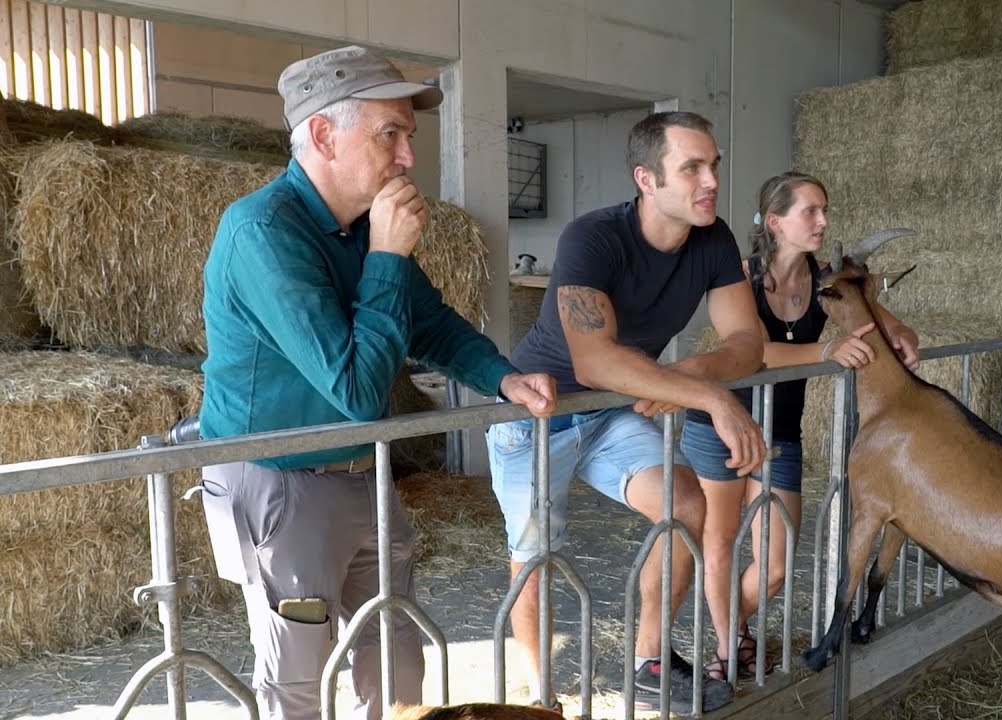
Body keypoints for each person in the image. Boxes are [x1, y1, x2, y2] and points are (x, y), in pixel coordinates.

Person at [197, 45, 556, 720]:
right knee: (299, 678)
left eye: (408, 136)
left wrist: (503, 378)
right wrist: (389, 254)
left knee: (395, 656)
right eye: (389, 134)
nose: (407, 157)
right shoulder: (263, 232)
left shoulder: (358, 226)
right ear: (325, 136)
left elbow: (430, 324)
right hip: (281, 481)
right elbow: (358, 394)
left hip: (361, 472)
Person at [485, 111, 768, 714]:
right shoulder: (593, 238)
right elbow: (593, 361)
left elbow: (747, 342)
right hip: (538, 415)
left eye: (713, 165)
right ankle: (541, 698)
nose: (710, 180)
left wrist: (688, 376)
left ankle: (649, 659)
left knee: (685, 505)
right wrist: (712, 397)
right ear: (647, 179)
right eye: (691, 167)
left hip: (611, 414)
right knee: (537, 561)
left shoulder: (714, 238)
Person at [680, 172, 920, 681]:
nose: (823, 221)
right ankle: (728, 650)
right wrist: (826, 350)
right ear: (774, 221)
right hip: (720, 419)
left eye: (824, 209)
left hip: (780, 431)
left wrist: (898, 333)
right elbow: (753, 351)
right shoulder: (737, 277)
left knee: (775, 564)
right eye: (810, 211)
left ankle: (730, 625)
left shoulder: (826, 280)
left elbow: (874, 314)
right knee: (720, 540)